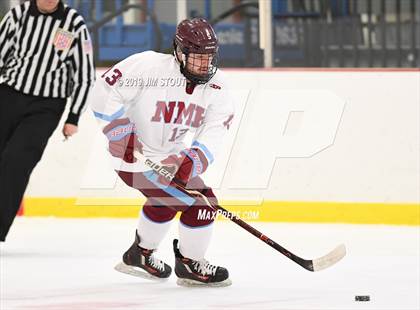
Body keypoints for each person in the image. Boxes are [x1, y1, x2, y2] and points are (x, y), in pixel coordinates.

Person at [90, 18, 235, 287]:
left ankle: (140, 254)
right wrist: (119, 131)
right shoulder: (148, 65)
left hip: (172, 157)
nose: (205, 64)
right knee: (201, 203)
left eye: (209, 57)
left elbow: (215, 128)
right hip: (133, 156)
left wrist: (195, 160)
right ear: (180, 52)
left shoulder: (218, 86)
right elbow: (104, 91)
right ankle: (191, 263)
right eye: (197, 57)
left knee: (176, 199)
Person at [0, 0, 95, 241]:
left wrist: (73, 116)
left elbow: (84, 75)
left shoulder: (73, 23)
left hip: (47, 106)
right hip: (9, 95)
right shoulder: (18, 15)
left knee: (16, 161)